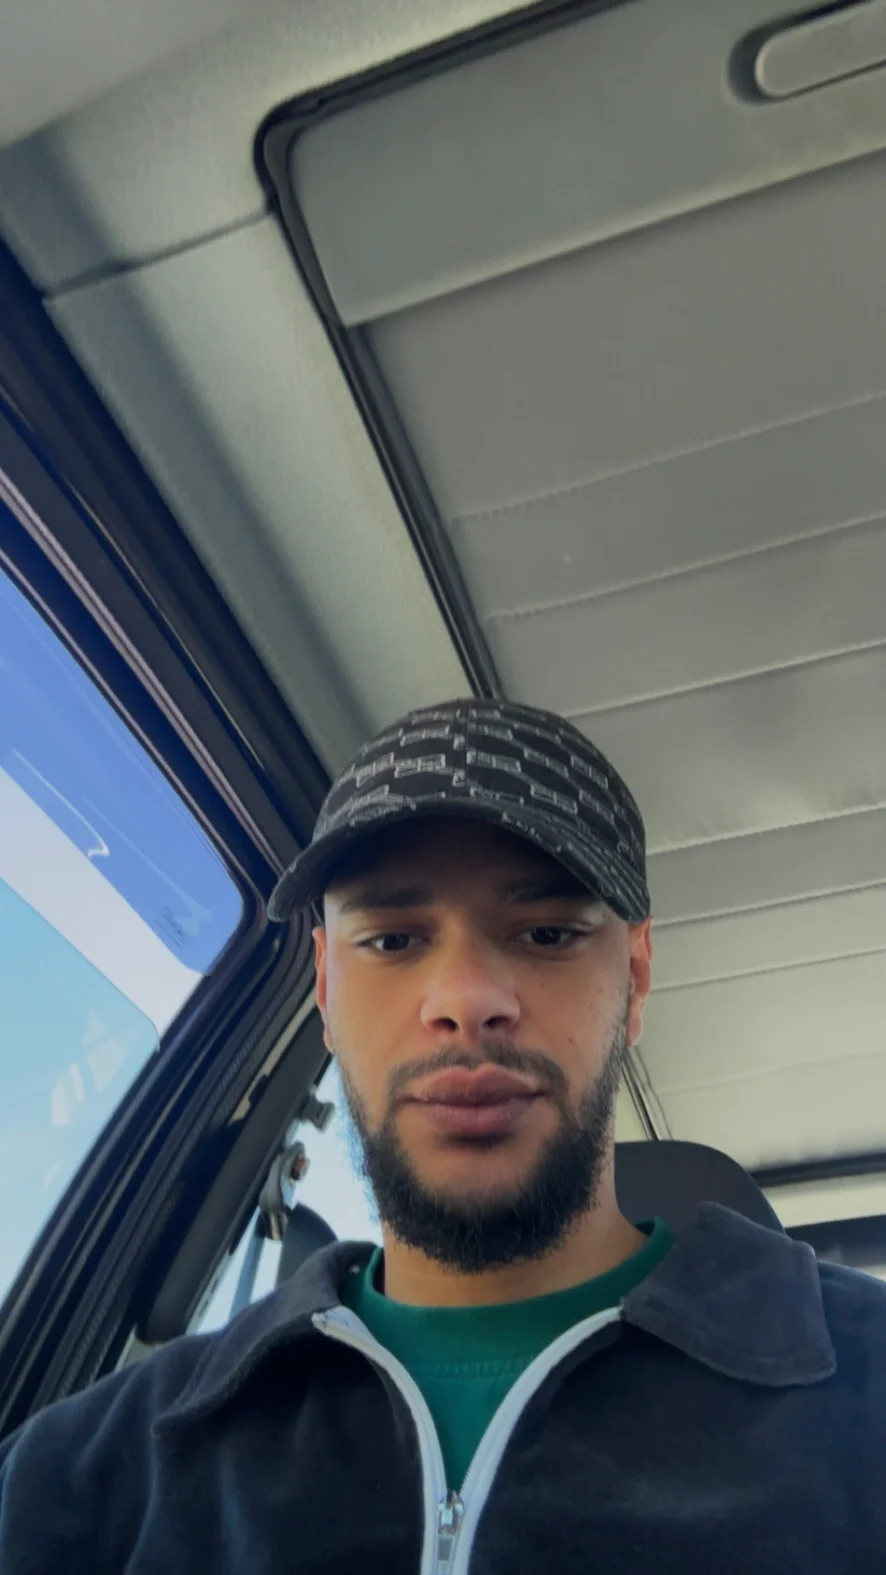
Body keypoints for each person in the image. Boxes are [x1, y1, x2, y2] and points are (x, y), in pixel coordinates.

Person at [2, 697, 885, 1572]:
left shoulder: (866, 1386)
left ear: (637, 976)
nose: (465, 1000)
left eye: (547, 932)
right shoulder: (86, 1475)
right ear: (324, 986)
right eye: (392, 941)